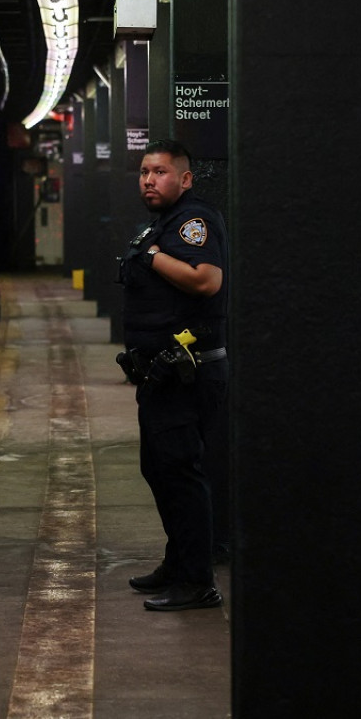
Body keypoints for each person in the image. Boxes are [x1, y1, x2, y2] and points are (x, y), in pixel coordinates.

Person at [117, 138, 229, 612]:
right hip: (161, 375)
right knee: (159, 469)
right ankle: (178, 562)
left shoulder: (194, 221)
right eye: (144, 172)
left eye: (160, 172)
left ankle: (198, 581)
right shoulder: (161, 225)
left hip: (187, 372)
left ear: (184, 179)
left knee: (181, 474)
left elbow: (207, 280)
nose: (149, 180)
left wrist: (152, 257)